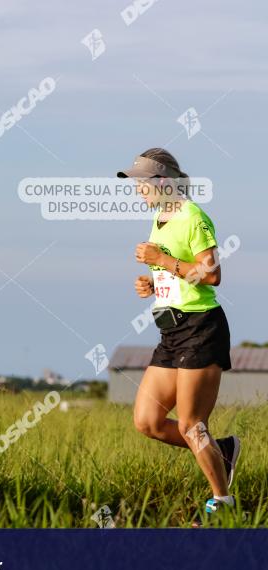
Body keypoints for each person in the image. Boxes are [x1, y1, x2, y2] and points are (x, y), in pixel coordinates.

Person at [121, 148, 240, 524]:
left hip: (201, 328)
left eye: (143, 182)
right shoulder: (160, 218)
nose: (138, 190)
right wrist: (154, 283)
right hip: (170, 332)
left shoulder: (192, 216)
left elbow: (211, 274)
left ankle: (223, 503)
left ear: (164, 182)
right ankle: (220, 452)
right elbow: (177, 275)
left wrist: (161, 262)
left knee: (191, 424)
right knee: (148, 422)